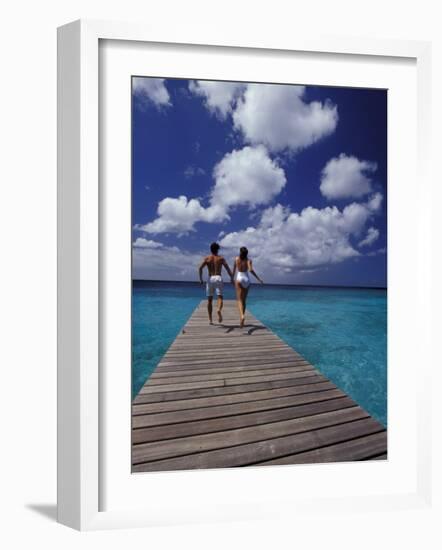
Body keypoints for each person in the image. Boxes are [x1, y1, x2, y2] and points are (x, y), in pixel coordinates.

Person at [198, 242, 234, 324]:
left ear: (210, 249)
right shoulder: (221, 258)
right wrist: (232, 278)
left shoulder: (207, 258)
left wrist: (200, 279)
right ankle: (218, 309)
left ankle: (210, 319)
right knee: (220, 297)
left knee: (209, 300)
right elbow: (228, 269)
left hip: (210, 278)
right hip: (218, 277)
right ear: (217, 249)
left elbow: (200, 268)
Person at [232, 246, 263, 327]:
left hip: (239, 278)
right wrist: (258, 279)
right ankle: (242, 318)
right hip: (247, 279)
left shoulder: (236, 259)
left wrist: (231, 278)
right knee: (244, 300)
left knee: (239, 300)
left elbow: (233, 270)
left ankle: (242, 316)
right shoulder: (249, 260)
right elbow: (250, 270)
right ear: (247, 253)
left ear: (240, 252)